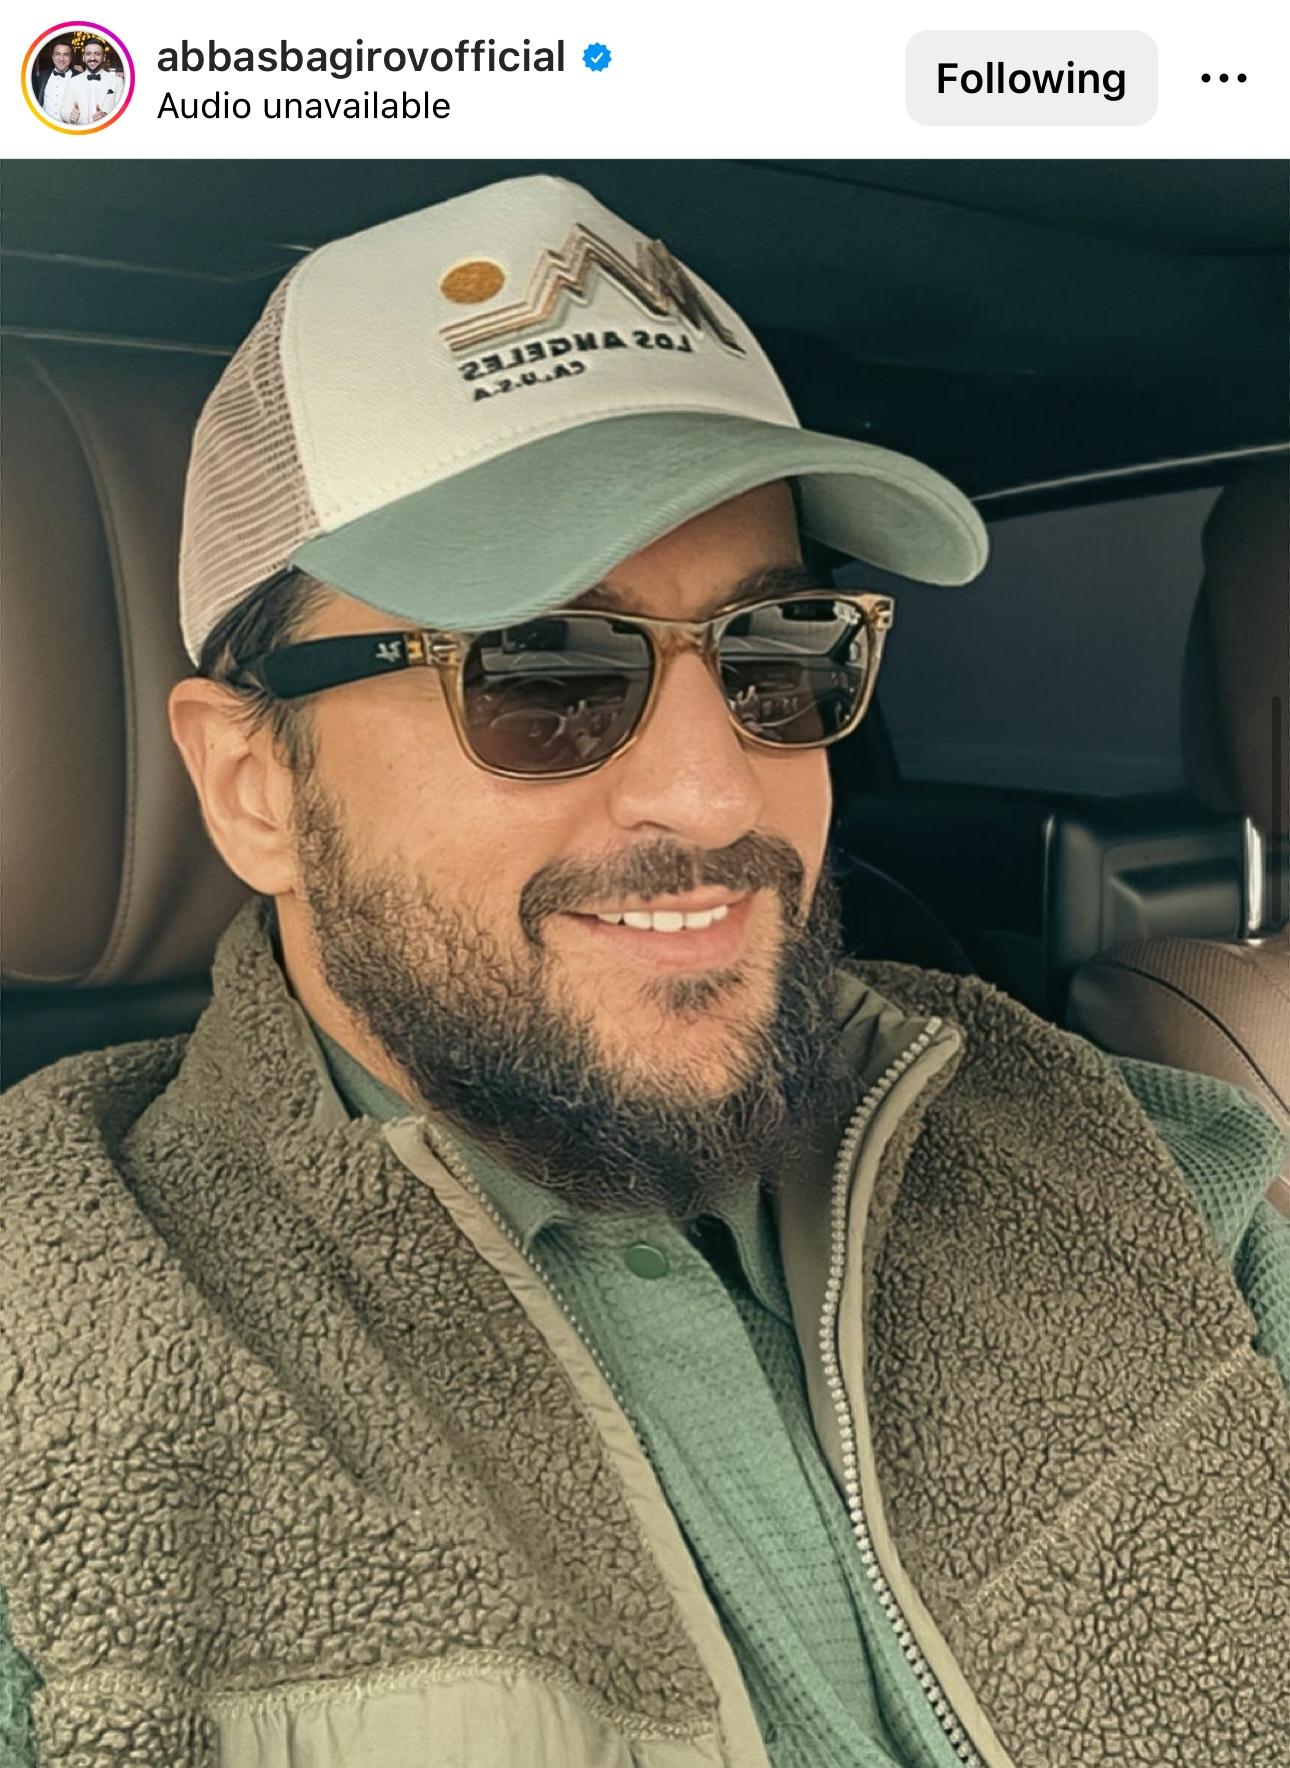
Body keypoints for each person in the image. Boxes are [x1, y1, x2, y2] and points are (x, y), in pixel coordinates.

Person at [2, 174, 1288, 1768]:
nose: (713, 793)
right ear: (253, 783)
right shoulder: (60, 1356)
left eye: (778, 653)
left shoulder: (1128, 1157)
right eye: (541, 669)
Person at [59, 38, 124, 127]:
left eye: (97, 54)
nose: (92, 58)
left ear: (104, 57)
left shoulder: (117, 81)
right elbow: (64, 109)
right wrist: (70, 115)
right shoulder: (72, 82)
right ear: (83, 57)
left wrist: (107, 117)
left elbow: (122, 111)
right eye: (88, 54)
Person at [33, 40, 74, 121]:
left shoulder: (79, 78)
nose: (61, 59)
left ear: (71, 58)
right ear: (52, 57)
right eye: (57, 54)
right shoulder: (42, 76)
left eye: (66, 55)